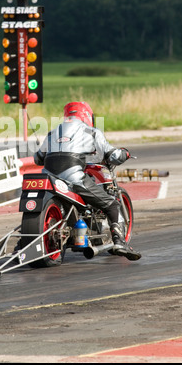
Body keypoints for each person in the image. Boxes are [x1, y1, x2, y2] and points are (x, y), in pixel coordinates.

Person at [34, 101, 141, 261]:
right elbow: (112, 155)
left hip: (49, 178)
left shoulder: (53, 132)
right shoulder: (91, 131)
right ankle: (119, 242)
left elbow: (38, 158)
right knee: (111, 204)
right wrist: (124, 154)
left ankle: (24, 244)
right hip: (73, 176)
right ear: (87, 115)